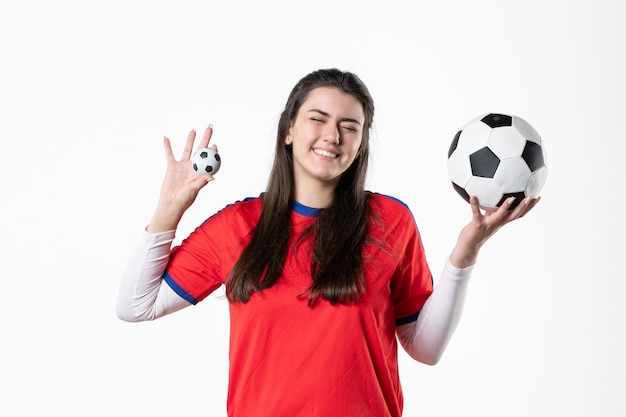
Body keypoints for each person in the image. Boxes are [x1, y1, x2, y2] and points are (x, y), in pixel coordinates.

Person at [116, 68, 539, 417]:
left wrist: (466, 252)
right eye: (317, 118)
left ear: (360, 143)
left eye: (349, 126)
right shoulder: (237, 226)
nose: (332, 135)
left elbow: (425, 349)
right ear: (288, 131)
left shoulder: (391, 221)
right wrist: (169, 208)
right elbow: (135, 305)